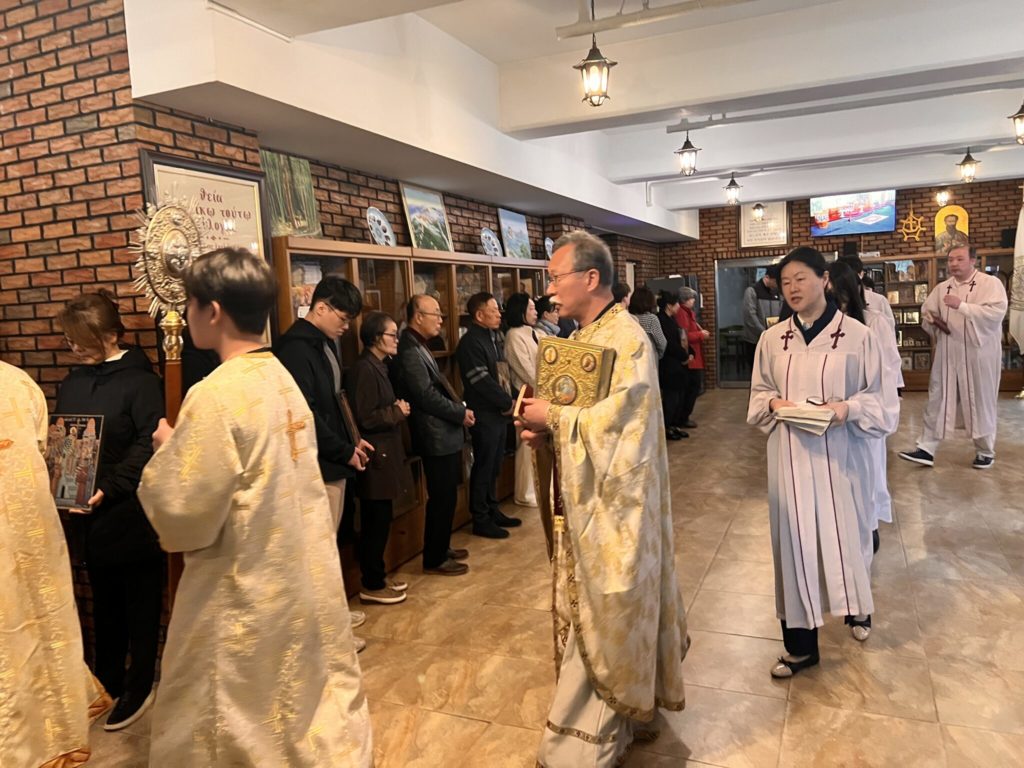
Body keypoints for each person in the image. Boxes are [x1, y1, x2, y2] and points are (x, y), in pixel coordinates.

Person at [138, 248, 372, 767]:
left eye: (194, 304)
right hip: (293, 573)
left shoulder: (215, 394)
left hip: (243, 584)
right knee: (290, 699)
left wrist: (165, 454)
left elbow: (183, 512)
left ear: (212, 311)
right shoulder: (278, 377)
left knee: (234, 713)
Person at [518, 231, 687, 767]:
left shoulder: (626, 339)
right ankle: (619, 715)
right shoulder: (583, 334)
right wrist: (539, 427)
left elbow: (623, 433)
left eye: (554, 277)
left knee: (606, 612)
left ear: (590, 278)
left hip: (616, 511)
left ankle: (583, 744)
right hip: (582, 505)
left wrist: (555, 419)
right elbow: (570, 410)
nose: (549, 290)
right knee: (583, 610)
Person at [748, 246, 890, 679]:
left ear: (824, 279)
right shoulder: (773, 339)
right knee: (792, 548)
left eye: (801, 279)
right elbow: (757, 394)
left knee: (846, 538)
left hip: (841, 458)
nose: (792, 288)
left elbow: (881, 400)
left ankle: (856, 610)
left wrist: (846, 409)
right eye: (785, 282)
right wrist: (774, 401)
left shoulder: (859, 337)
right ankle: (800, 647)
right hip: (789, 460)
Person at [56, 292, 165, 731]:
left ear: (109, 335)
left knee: (140, 604)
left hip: (131, 509)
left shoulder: (141, 381)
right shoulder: (73, 380)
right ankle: (107, 681)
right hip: (87, 513)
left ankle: (139, 685)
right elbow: (67, 437)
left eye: (81, 340)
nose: (73, 348)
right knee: (104, 603)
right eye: (69, 340)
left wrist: (110, 486)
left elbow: (148, 443)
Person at [1, 361, 112, 768]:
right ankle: (53, 731)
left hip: (23, 536)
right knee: (33, 631)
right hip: (32, 535)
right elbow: (43, 451)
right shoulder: (18, 383)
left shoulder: (18, 383)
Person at [275, 275, 374, 640]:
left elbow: (336, 402)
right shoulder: (296, 349)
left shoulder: (324, 344)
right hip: (317, 463)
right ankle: (326, 633)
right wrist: (343, 449)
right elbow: (305, 414)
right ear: (320, 307)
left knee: (327, 546)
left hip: (334, 457)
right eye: (343, 319)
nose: (346, 328)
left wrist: (353, 441)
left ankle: (332, 619)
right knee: (316, 551)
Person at [899, 245, 1008, 469]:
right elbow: (927, 311)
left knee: (980, 400)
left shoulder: (990, 284)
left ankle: (985, 451)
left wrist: (963, 306)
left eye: (959, 259)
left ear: (973, 261)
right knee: (937, 398)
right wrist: (931, 319)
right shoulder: (942, 288)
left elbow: (996, 312)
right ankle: (926, 448)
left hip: (978, 355)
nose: (953, 264)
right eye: (950, 260)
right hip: (948, 353)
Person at [826, 261, 901, 560]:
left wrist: (880, 401)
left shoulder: (873, 321)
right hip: (834, 411)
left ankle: (869, 524)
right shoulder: (825, 324)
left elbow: (889, 364)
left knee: (868, 469)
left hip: (865, 408)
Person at [393, 295, 471, 576]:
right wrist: (458, 413)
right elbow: (424, 396)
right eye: (435, 314)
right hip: (432, 434)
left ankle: (441, 545)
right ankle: (435, 557)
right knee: (441, 496)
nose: (440, 319)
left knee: (447, 495)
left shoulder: (418, 345)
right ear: (417, 317)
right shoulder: (409, 349)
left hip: (443, 431)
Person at [346, 312, 413, 605]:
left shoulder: (379, 366)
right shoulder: (364, 369)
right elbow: (365, 417)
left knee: (382, 519)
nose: (396, 340)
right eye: (391, 335)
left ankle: (379, 576)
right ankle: (372, 583)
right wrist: (397, 412)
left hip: (387, 453)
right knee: (375, 521)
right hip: (376, 456)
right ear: (376, 337)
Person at [455, 292, 519, 538]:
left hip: (499, 413)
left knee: (495, 464)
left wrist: (513, 398)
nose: (499, 313)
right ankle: (480, 517)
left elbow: (501, 375)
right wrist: (506, 402)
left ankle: (493, 509)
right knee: (483, 466)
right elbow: (481, 381)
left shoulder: (493, 338)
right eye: (493, 309)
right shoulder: (471, 342)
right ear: (479, 315)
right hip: (484, 414)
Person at [504, 292, 540, 507]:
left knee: (538, 447)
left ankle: (536, 488)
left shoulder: (535, 332)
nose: (535, 312)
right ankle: (525, 494)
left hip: (541, 394)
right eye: (531, 308)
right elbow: (526, 371)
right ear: (520, 312)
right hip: (525, 395)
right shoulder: (514, 335)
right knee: (526, 446)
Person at [656, 291, 689, 440]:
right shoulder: (661, 320)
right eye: (676, 303)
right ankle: (667, 426)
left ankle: (675, 424)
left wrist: (688, 354)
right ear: (669, 305)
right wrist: (684, 355)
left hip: (677, 364)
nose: (678, 306)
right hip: (669, 364)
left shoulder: (672, 319)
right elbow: (668, 344)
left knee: (679, 396)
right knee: (670, 398)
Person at [675, 286, 708, 430]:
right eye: (691, 298)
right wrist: (701, 335)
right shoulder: (682, 313)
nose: (694, 300)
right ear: (685, 300)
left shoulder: (689, 313)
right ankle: (683, 417)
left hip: (695, 355)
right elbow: (684, 336)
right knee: (691, 388)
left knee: (692, 387)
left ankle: (684, 416)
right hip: (690, 356)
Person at [741, 264, 783, 368]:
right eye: (775, 281)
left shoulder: (778, 293)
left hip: (774, 340)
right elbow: (750, 316)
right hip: (755, 340)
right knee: (757, 371)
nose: (778, 284)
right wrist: (764, 332)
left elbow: (782, 311)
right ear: (767, 277)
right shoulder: (752, 291)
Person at [628, 285, 667, 359]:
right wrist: (657, 356)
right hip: (648, 359)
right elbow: (662, 342)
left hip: (630, 359)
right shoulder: (651, 319)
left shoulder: (628, 317)